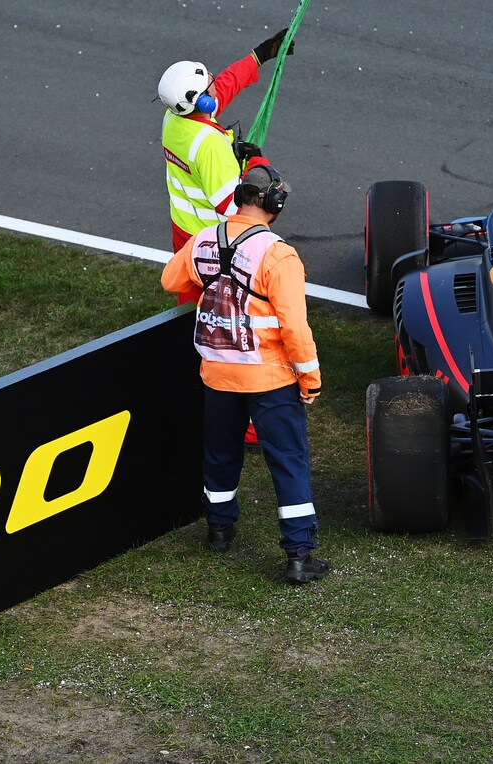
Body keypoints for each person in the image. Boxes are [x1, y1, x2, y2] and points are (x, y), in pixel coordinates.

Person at [161, 165, 330, 584]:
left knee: (220, 453)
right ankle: (298, 553)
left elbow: (170, 279)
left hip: (217, 373)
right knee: (288, 461)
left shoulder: (205, 239)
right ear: (275, 204)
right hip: (270, 378)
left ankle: (219, 529)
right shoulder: (278, 254)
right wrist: (310, 379)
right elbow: (294, 327)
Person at [157, 28, 296, 303]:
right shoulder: (209, 144)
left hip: (184, 234)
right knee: (218, 312)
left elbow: (226, 84)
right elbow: (236, 207)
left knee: (189, 305)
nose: (214, 80)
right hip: (213, 243)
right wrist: (255, 160)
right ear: (204, 101)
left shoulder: (173, 120)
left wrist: (258, 56)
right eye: (210, 83)